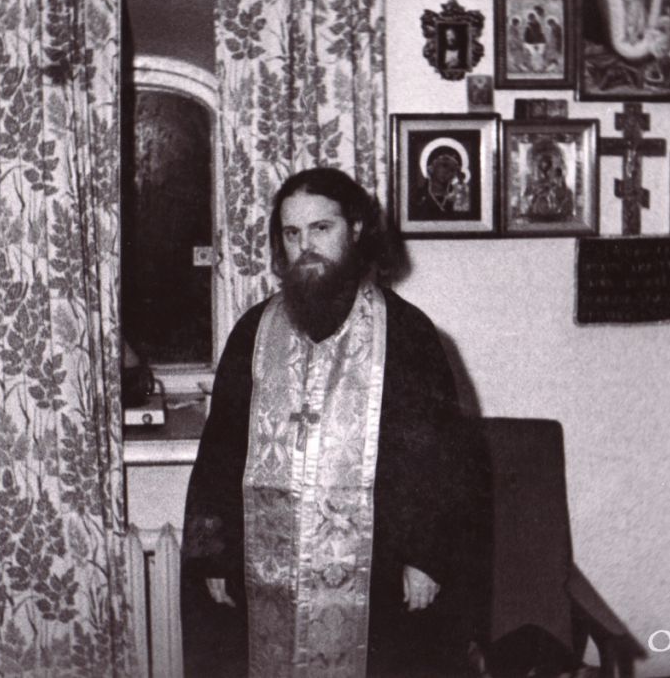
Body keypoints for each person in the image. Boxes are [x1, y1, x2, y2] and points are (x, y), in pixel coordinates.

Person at [181, 168, 475, 677]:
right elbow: (219, 454)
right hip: (265, 573)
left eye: (321, 228)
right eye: (292, 233)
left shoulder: (407, 334)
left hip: (377, 576)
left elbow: (439, 461)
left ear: (355, 229)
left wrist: (426, 559)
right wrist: (213, 558)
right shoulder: (253, 332)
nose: (306, 247)